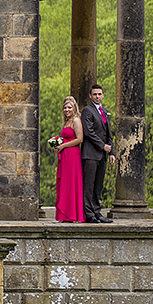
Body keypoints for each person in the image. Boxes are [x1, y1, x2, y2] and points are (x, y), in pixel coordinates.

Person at [81, 83, 115, 224]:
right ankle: (89, 214)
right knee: (88, 186)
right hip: (90, 154)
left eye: (99, 94)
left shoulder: (104, 111)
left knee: (98, 186)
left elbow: (108, 134)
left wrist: (111, 151)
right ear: (90, 96)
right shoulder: (87, 111)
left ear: (103, 95)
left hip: (102, 155)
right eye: (94, 94)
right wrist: (103, 146)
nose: (97, 96)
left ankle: (97, 211)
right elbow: (89, 132)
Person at [53, 96, 86, 223]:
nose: (67, 110)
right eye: (65, 108)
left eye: (69, 107)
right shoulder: (67, 121)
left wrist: (63, 145)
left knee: (71, 182)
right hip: (65, 156)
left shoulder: (76, 120)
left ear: (74, 108)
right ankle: (65, 214)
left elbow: (79, 139)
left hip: (73, 155)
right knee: (65, 182)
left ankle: (73, 214)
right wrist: (58, 146)